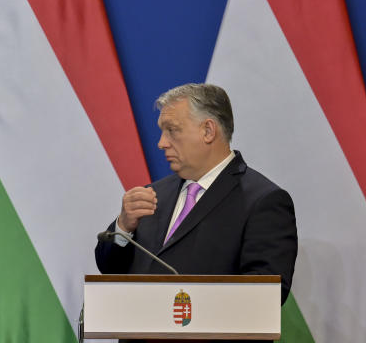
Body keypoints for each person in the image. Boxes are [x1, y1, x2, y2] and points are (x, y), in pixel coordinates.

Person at [95, 83, 298, 305]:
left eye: (172, 130)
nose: (161, 143)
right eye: (162, 131)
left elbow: (266, 294)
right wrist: (123, 226)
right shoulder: (153, 194)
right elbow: (110, 269)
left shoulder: (263, 201)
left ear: (208, 131)